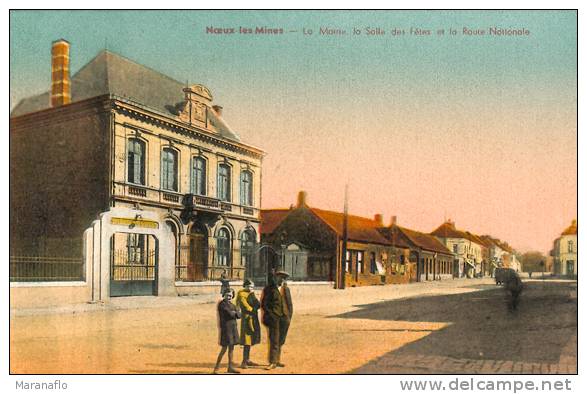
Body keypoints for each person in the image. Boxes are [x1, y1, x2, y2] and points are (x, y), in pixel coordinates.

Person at [261, 270, 292, 370]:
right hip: (274, 319)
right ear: (275, 278)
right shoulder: (268, 289)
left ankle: (277, 360)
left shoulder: (286, 289)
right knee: (274, 340)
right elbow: (264, 304)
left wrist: (289, 316)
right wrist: (271, 315)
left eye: (283, 278)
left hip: (284, 318)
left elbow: (289, 304)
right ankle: (272, 362)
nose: (281, 280)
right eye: (280, 277)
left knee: (281, 340)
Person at [213, 287, 241, 374]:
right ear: (224, 295)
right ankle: (216, 368)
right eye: (227, 295)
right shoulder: (222, 304)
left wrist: (235, 312)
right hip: (226, 329)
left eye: (230, 296)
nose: (228, 297)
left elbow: (239, 315)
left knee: (231, 348)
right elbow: (230, 313)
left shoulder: (232, 305)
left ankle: (230, 367)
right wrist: (235, 312)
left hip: (233, 328)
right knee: (224, 349)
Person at [235, 279, 261, 369]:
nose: (251, 288)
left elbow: (258, 304)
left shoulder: (251, 294)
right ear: (245, 286)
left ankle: (248, 359)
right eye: (249, 286)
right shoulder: (241, 294)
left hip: (253, 318)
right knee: (247, 340)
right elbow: (245, 305)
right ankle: (243, 362)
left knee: (250, 339)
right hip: (246, 319)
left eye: (252, 287)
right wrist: (253, 309)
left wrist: (253, 295)